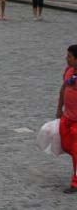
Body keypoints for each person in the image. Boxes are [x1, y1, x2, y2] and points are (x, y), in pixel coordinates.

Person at [57, 45, 77, 194]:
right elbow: (63, 88)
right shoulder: (68, 71)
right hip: (67, 117)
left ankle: (75, 183)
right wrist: (59, 108)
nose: (66, 58)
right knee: (66, 145)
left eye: (69, 56)